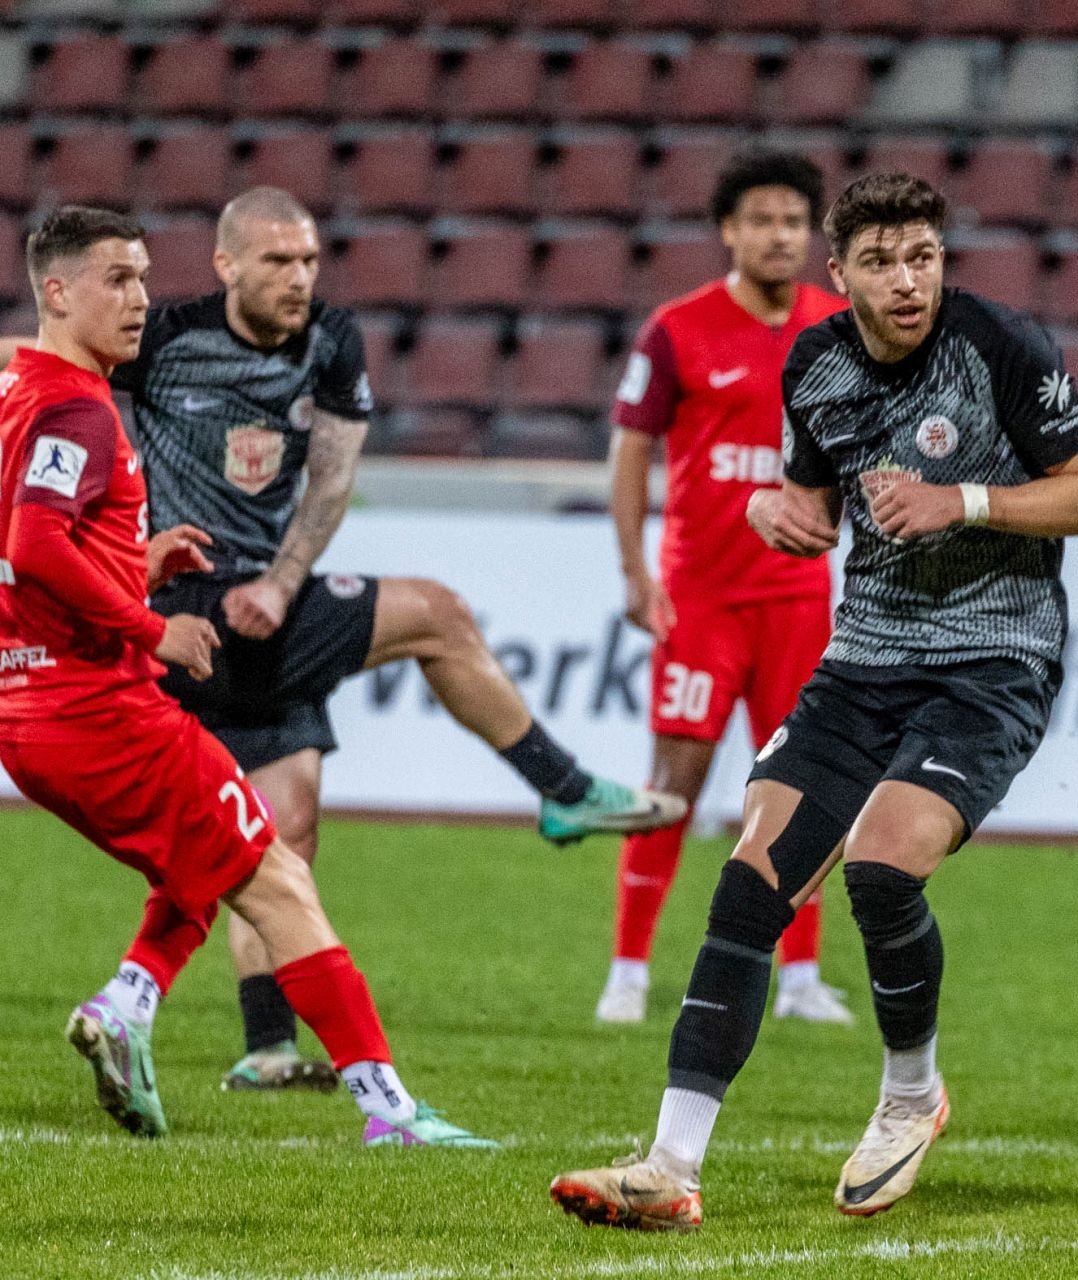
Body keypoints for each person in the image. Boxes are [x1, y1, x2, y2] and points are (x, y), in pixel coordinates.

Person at [3, 186, 686, 1092]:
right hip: (195, 606)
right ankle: (563, 790)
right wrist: (148, 596)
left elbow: (332, 474)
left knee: (276, 833)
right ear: (226, 265)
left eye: (310, 260)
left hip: (253, 602)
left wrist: (281, 582)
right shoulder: (158, 339)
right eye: (277, 261)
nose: (299, 278)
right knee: (435, 615)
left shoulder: (330, 339)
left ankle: (251, 1041)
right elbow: (46, 406)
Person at [549, 172, 1078, 1230]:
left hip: (993, 661)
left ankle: (911, 1095)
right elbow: (812, 497)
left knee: (881, 865)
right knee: (748, 886)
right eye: (881, 261)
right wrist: (776, 513)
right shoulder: (815, 364)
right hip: (862, 660)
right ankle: (670, 1166)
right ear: (841, 271)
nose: (907, 282)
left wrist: (965, 500)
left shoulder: (1001, 346)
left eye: (923, 257)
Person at [0, 205, 492, 1146]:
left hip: (28, 711)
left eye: (144, 277)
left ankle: (128, 1004)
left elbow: (24, 551)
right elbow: (34, 545)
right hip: (99, 709)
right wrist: (152, 626)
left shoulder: (20, 393)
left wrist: (137, 565)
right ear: (56, 292)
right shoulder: (79, 409)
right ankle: (389, 1111)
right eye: (116, 279)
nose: (139, 299)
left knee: (208, 856)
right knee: (276, 877)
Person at [599, 150, 853, 1028]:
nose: (780, 235)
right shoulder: (678, 330)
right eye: (762, 220)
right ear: (729, 232)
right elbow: (630, 449)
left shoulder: (840, 327)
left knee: (808, 786)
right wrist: (635, 571)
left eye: (794, 221)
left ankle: (802, 977)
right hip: (701, 599)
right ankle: (628, 969)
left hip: (800, 601)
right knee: (674, 783)